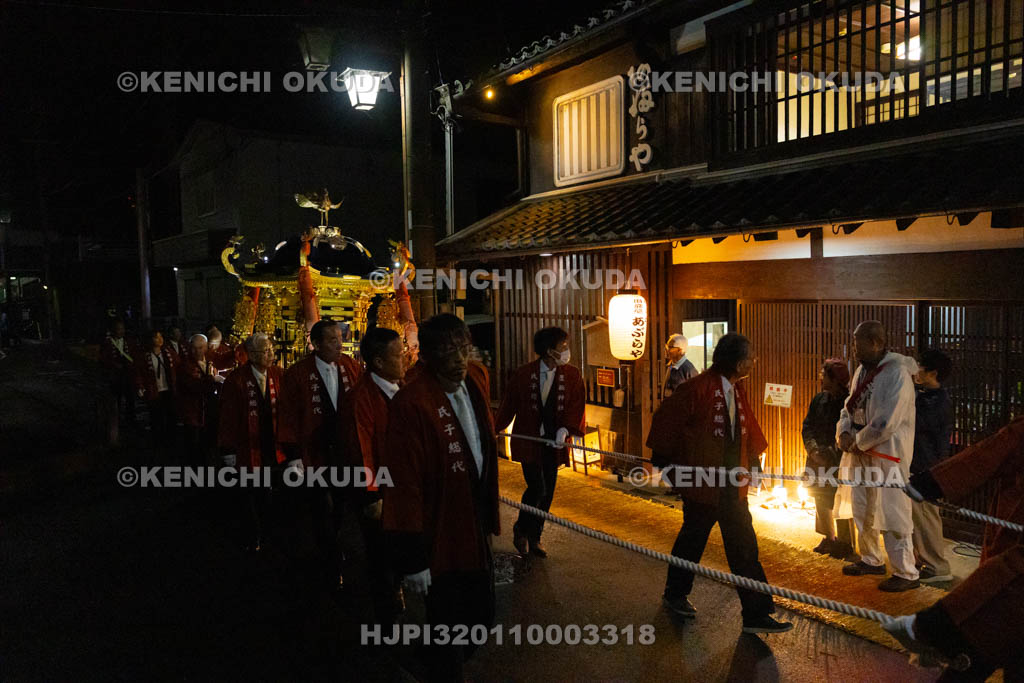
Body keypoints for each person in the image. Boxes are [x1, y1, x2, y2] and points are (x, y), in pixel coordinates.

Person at [647, 332, 792, 634]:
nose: (754, 361)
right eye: (751, 357)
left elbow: (747, 429)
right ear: (739, 364)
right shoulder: (697, 387)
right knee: (692, 540)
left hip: (731, 485)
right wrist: (667, 465)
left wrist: (753, 462)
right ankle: (675, 594)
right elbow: (666, 422)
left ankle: (755, 613)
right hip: (703, 484)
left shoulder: (736, 389)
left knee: (744, 547)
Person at [381, 314, 499, 681]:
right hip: (436, 533)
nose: (459, 359)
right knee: (447, 622)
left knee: (481, 616)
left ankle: (425, 656)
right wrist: (412, 557)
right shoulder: (412, 403)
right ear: (428, 357)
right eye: (448, 351)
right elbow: (404, 483)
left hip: (472, 526)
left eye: (463, 348)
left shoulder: (476, 380)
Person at [885, 416, 1024, 681]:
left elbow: (992, 451)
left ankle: (936, 628)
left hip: (1013, 546)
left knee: (988, 631)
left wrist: (932, 483)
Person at [278, 319, 363, 589]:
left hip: (344, 452)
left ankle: (332, 544)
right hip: (313, 452)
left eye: (340, 339)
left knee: (341, 503)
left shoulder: (350, 366)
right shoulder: (298, 373)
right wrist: (293, 455)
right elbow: (288, 414)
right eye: (332, 340)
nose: (339, 344)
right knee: (319, 505)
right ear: (315, 344)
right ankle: (329, 558)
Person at [836, 321, 920, 591]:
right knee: (863, 507)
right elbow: (848, 407)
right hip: (861, 452)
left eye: (857, 342)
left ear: (875, 343)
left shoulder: (897, 373)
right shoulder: (861, 371)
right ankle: (871, 559)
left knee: (893, 511)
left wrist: (857, 441)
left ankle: (906, 572)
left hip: (887, 454)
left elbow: (887, 422)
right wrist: (844, 432)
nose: (853, 348)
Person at [494, 326, 585, 558]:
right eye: (562, 346)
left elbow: (576, 405)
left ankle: (535, 536)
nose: (566, 350)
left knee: (548, 491)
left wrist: (565, 430)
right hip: (530, 441)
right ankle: (521, 529)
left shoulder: (572, 375)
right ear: (548, 351)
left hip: (554, 442)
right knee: (537, 487)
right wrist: (492, 429)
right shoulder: (524, 374)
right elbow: (509, 405)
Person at [340, 326, 406, 624]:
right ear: (378, 361)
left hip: (405, 488)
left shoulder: (404, 388)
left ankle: (396, 586)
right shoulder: (360, 398)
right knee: (380, 552)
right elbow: (360, 449)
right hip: (380, 490)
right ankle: (385, 618)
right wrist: (371, 494)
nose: (405, 358)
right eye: (399, 354)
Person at [217, 333, 285, 551]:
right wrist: (228, 450)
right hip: (246, 446)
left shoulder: (278, 374)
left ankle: (269, 531)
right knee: (248, 491)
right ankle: (252, 534)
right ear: (253, 355)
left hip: (272, 444)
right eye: (266, 351)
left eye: (271, 349)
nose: (271, 354)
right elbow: (228, 417)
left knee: (270, 489)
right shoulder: (236, 380)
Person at [801, 358, 856, 560]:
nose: (820, 378)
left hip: (839, 459)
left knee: (841, 498)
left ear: (835, 380)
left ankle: (846, 543)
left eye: (824, 375)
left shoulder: (849, 402)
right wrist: (813, 450)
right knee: (819, 496)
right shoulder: (819, 399)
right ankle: (829, 537)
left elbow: (849, 430)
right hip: (817, 456)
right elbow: (807, 426)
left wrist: (831, 453)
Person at [910, 348, 955, 584]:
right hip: (920, 464)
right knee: (918, 519)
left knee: (927, 518)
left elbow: (920, 427)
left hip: (927, 466)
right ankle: (923, 560)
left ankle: (938, 566)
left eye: (920, 366)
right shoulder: (927, 396)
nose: (916, 371)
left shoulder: (937, 402)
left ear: (933, 373)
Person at [177, 334, 224, 466]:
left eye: (200, 348)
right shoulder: (185, 366)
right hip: (193, 411)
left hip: (209, 410)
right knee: (194, 445)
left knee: (209, 443)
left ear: (206, 347)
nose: (197, 351)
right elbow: (193, 386)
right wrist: (212, 380)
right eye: (194, 348)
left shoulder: (209, 362)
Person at [134, 329, 176, 447]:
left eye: (161, 336)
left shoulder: (168, 352)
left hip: (168, 389)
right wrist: (140, 386)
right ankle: (158, 440)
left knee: (170, 414)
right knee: (156, 416)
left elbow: (177, 366)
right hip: (154, 390)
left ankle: (170, 439)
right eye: (156, 337)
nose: (160, 339)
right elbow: (139, 372)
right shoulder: (144, 356)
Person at [100, 319, 135, 427]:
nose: (121, 331)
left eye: (122, 329)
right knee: (116, 398)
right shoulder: (107, 343)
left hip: (128, 374)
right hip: (115, 376)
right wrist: (113, 365)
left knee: (130, 397)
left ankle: (130, 419)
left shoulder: (129, 342)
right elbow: (103, 359)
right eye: (119, 329)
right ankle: (117, 419)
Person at [662, 333, 698, 399]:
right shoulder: (671, 365)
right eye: (667, 346)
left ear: (680, 350)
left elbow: (696, 394)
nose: (667, 350)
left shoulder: (689, 369)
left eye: (670, 347)